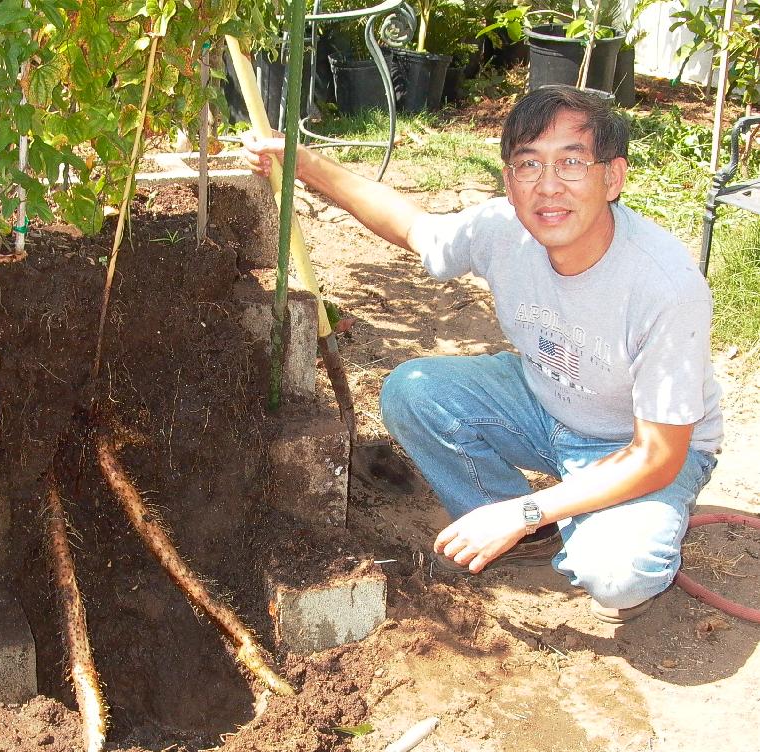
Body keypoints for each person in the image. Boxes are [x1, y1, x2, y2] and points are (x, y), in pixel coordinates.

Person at [242, 86, 722, 623]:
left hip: (634, 445)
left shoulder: (663, 286)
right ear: (508, 179)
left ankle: (563, 520)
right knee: (412, 391)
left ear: (613, 178)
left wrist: (529, 506)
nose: (548, 186)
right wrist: (306, 165)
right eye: (528, 164)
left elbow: (659, 454)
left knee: (617, 574)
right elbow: (411, 227)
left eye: (571, 163)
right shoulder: (504, 231)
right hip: (544, 407)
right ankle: (528, 535)